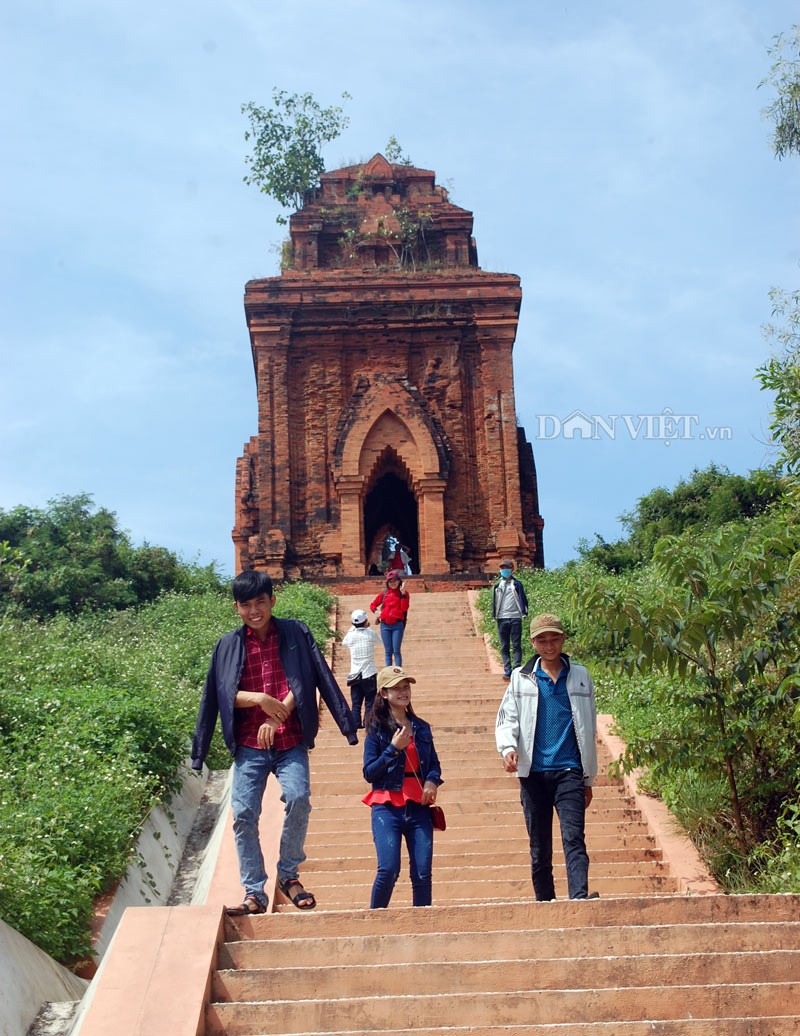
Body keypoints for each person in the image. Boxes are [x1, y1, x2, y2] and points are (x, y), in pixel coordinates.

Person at [191, 570, 358, 915]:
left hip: (290, 740)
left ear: (272, 601)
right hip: (249, 745)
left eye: (261, 602)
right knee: (244, 813)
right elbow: (217, 695)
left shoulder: (295, 632)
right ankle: (254, 891)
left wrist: (284, 710)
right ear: (237, 607)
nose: (255, 611)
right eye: (247, 605)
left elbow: (313, 676)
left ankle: (288, 875)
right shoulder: (227, 645)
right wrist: (258, 699)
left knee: (298, 798)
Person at [495, 613, 598, 901]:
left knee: (574, 838)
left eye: (554, 639)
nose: (549, 645)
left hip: (569, 771)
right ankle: (545, 901)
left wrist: (588, 776)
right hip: (533, 773)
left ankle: (578, 896)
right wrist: (508, 748)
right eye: (543, 640)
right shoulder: (521, 678)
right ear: (533, 642)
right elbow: (507, 718)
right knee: (539, 845)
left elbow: (589, 724)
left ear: (563, 639)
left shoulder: (580, 676)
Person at [362, 665, 443, 908]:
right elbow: (369, 772)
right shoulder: (376, 728)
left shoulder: (421, 727)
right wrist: (393, 748)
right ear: (383, 694)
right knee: (388, 870)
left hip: (419, 806)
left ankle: (423, 926)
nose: (403, 692)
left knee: (422, 874)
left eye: (406, 687)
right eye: (396, 688)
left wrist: (431, 781)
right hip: (387, 806)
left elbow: (434, 765)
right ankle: (375, 921)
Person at [342, 608, 381, 728]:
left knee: (356, 703)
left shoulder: (351, 636)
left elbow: (344, 642)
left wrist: (353, 627)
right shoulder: (370, 634)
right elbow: (379, 641)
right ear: (365, 621)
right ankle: (368, 723)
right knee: (370, 702)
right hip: (369, 674)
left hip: (355, 675)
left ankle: (356, 724)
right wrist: (367, 627)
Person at [491, 558, 528, 678]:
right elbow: (495, 602)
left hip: (515, 617)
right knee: (504, 645)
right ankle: (507, 669)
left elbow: (523, 599)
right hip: (502, 618)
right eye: (502, 568)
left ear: (512, 569)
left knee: (516, 644)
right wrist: (494, 615)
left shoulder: (517, 584)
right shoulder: (498, 585)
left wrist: (524, 612)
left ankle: (517, 668)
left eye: (506, 568)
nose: (504, 570)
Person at [370, 570, 410, 667]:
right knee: (388, 651)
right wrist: (376, 612)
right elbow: (373, 605)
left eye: (395, 581)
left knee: (396, 651)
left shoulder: (403, 594)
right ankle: (388, 672)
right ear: (387, 583)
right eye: (390, 581)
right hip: (385, 625)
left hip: (397, 625)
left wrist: (403, 594)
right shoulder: (384, 594)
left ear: (399, 581)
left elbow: (404, 608)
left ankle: (398, 672)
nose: (393, 583)